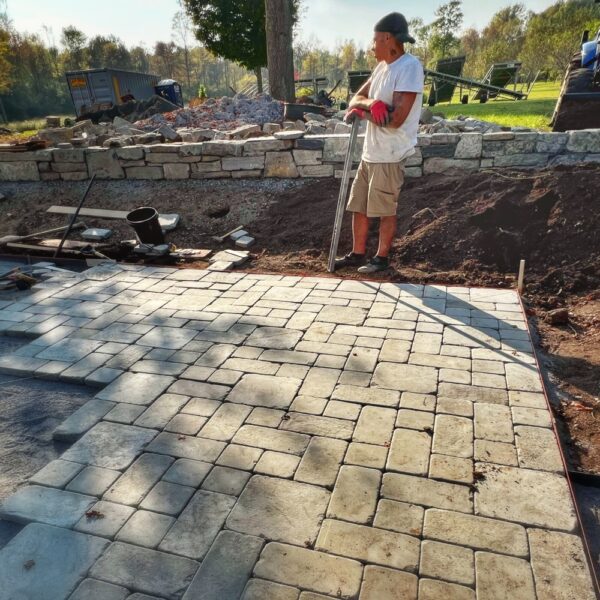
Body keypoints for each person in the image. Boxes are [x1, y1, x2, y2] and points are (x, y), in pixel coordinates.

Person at [335, 12, 424, 273]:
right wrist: (371, 104)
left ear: (387, 38)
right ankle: (357, 253)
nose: (372, 46)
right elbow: (355, 98)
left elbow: (396, 119)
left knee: (385, 208)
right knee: (358, 206)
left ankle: (382, 258)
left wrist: (363, 112)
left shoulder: (409, 67)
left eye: (375, 40)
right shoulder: (381, 67)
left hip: (391, 152)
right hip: (370, 152)